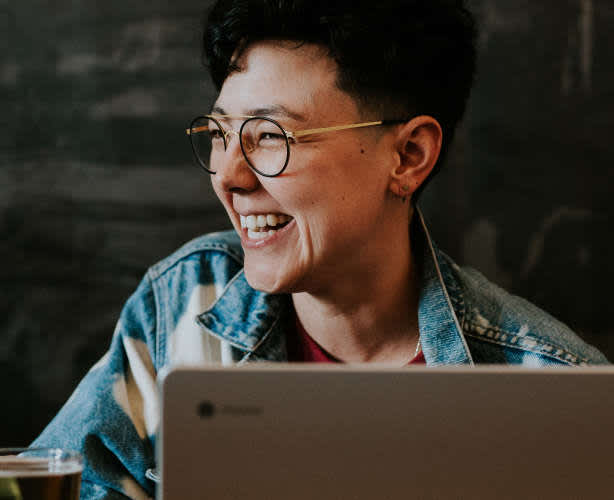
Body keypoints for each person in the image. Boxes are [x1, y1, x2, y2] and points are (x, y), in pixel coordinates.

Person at [32, 1, 609, 498]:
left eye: (270, 136)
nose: (228, 175)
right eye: (220, 134)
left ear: (408, 157)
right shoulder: (182, 303)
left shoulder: (553, 390)